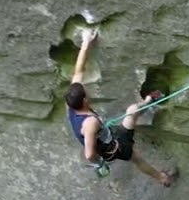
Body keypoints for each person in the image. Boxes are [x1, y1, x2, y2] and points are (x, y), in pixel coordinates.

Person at [65, 28, 176, 187]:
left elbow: (78, 71)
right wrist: (100, 163)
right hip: (115, 147)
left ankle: (149, 100)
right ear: (84, 100)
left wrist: (86, 43)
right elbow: (89, 153)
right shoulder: (90, 123)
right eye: (86, 95)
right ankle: (164, 178)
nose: (88, 94)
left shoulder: (71, 103)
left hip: (109, 135)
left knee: (132, 111)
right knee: (136, 158)